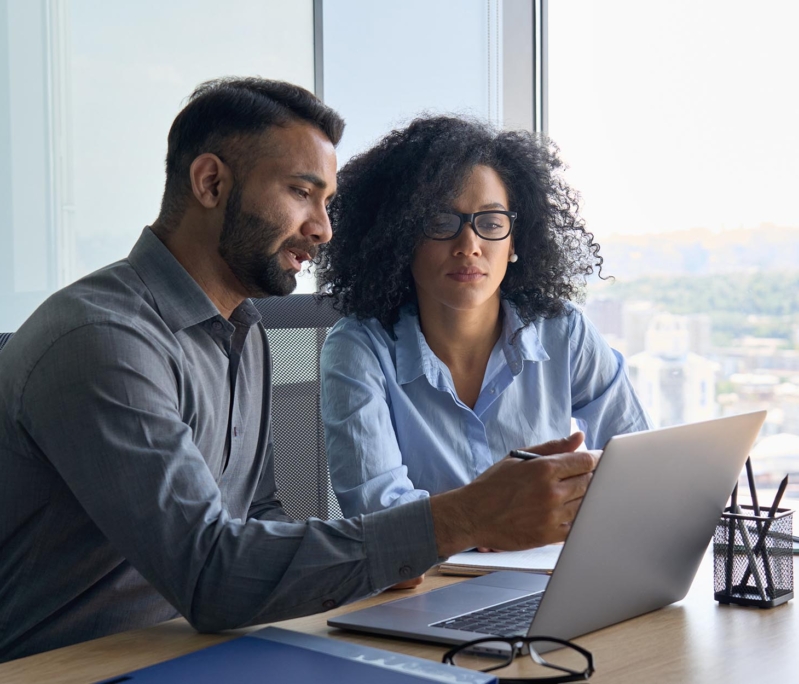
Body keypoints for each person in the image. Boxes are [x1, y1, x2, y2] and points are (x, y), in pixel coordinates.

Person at [0, 78, 598, 663]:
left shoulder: (244, 329)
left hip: (207, 650)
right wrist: (463, 517)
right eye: (300, 192)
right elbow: (209, 573)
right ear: (210, 183)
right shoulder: (103, 341)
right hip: (73, 664)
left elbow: (257, 516)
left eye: (328, 202)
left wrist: (367, 562)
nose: (323, 228)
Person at [318, 116, 651, 519]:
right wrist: (487, 522)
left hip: (551, 570)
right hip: (428, 580)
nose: (469, 245)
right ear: (401, 237)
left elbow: (639, 463)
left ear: (515, 241)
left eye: (491, 223)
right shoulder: (358, 348)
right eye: (441, 222)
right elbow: (381, 516)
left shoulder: (563, 331)